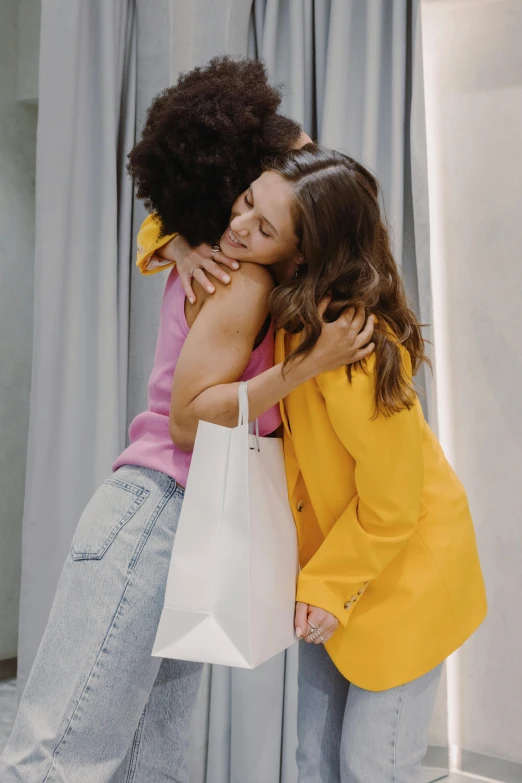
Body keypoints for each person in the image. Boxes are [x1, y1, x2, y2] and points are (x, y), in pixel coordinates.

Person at [0, 59, 373, 783]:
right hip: (158, 510)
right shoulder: (242, 277)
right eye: (286, 165)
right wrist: (304, 367)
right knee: (60, 754)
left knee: (152, 761)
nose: (307, 168)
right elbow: (188, 422)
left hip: (186, 516)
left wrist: (168, 237)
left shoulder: (229, 258)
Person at [138, 145, 487, 783]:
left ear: (302, 252)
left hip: (400, 577)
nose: (240, 224)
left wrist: (329, 588)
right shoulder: (284, 301)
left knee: (369, 768)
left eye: (264, 226)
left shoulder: (348, 342)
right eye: (244, 201)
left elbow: (394, 498)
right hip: (329, 567)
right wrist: (179, 247)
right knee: (314, 762)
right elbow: (166, 210)